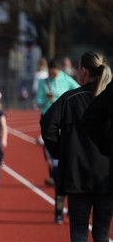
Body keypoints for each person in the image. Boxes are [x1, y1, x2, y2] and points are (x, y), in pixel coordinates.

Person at [40, 51, 112, 242]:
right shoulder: (107, 98)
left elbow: (47, 126)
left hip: (77, 175)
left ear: (82, 71)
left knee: (79, 230)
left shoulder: (70, 99)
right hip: (107, 176)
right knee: (102, 234)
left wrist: (62, 152)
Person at [37, 57, 80, 223]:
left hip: (65, 119)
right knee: (58, 171)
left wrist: (66, 101)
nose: (52, 75)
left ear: (59, 70)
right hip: (49, 118)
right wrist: (46, 99)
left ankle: (67, 210)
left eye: (54, 72)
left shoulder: (66, 79)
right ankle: (59, 212)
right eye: (50, 72)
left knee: (67, 175)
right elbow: (37, 101)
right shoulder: (44, 82)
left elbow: (79, 91)